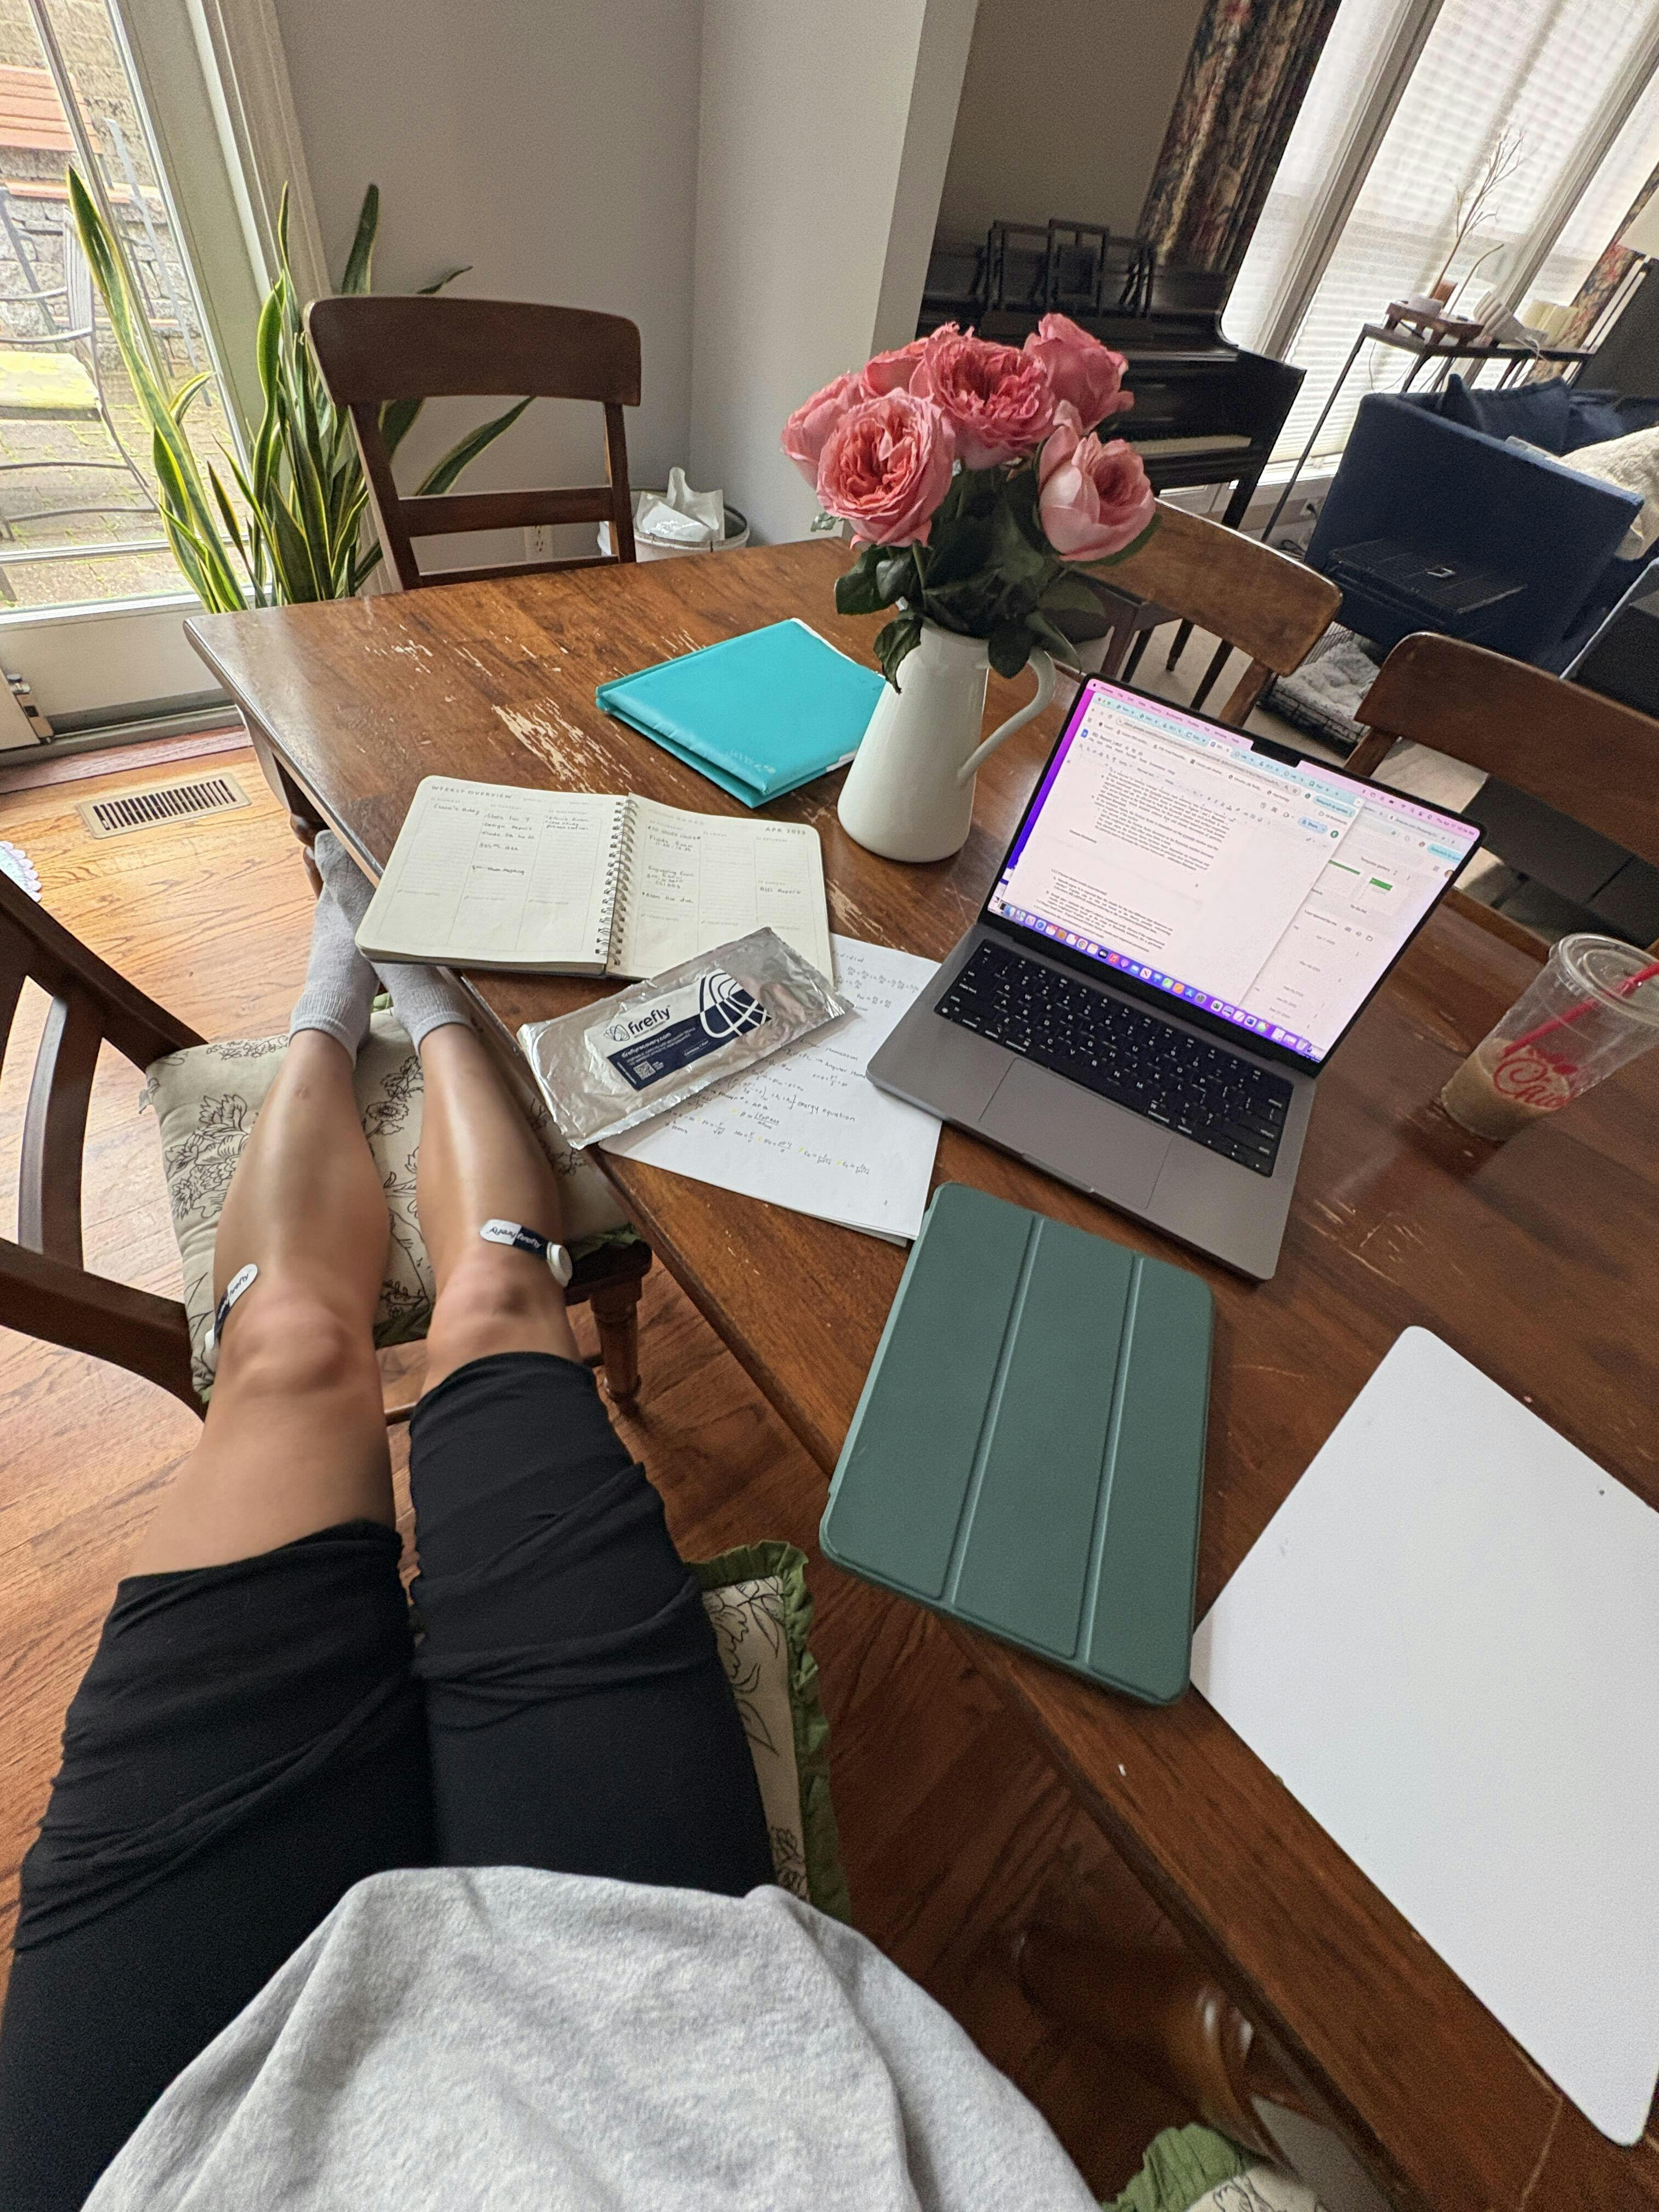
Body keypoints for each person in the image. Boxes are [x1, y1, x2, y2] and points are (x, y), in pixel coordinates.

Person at [0, 836, 1094, 2211]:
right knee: (504, 1297)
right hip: (664, 2044)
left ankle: (354, 1004)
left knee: (284, 1351)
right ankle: (401, 997)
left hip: (173, 2147)